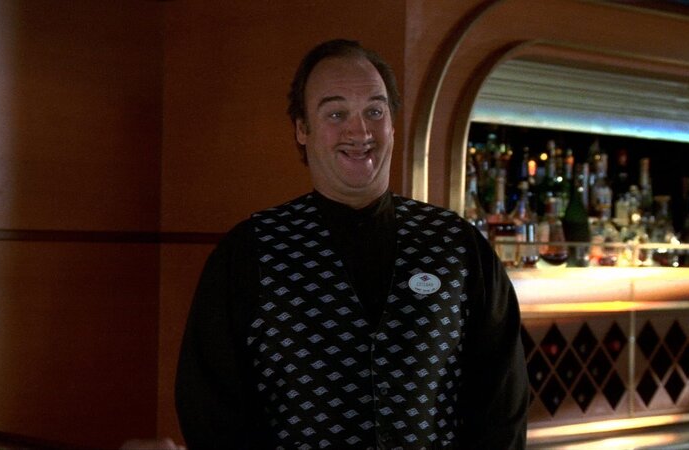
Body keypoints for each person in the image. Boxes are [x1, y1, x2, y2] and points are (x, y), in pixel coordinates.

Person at [175, 38, 529, 449]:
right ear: (302, 129)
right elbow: (211, 415)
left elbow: (501, 407)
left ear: (392, 125)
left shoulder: (457, 246)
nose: (359, 131)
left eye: (374, 112)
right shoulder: (249, 252)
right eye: (336, 113)